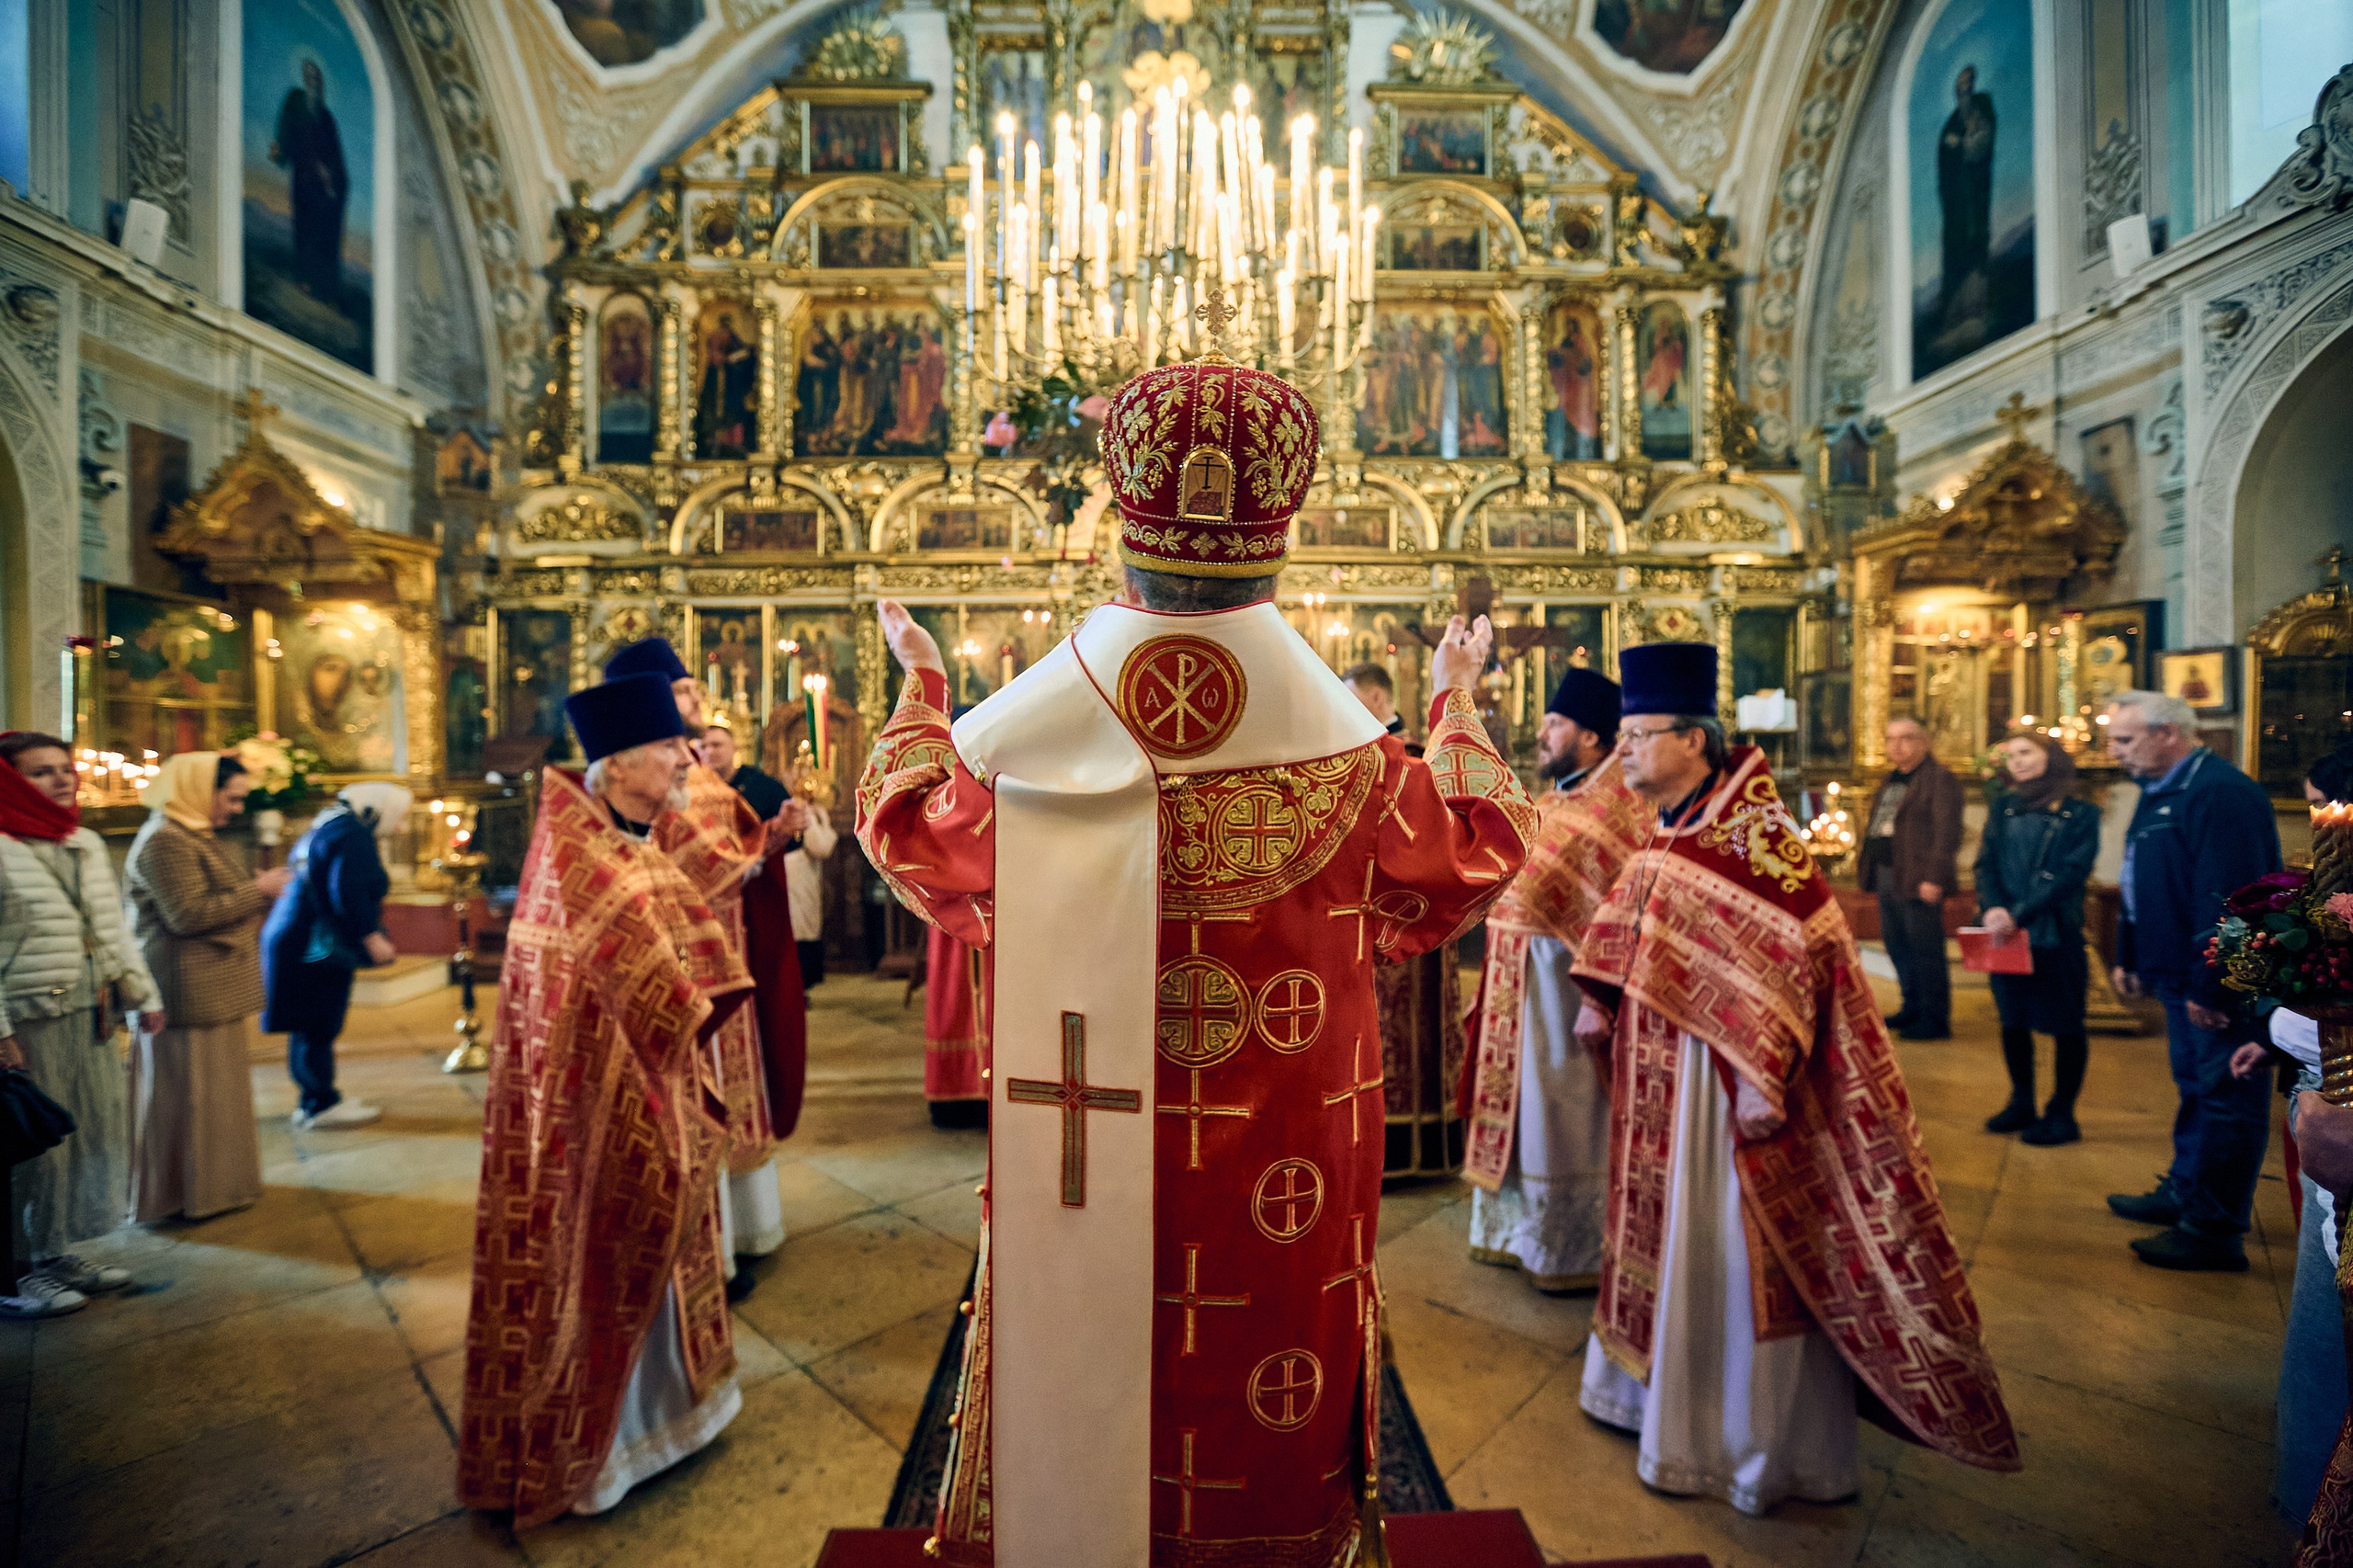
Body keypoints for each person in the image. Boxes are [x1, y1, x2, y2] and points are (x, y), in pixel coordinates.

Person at [856, 345, 1534, 1564]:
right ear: (1283, 533)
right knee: (1267, 1352)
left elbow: (906, 824)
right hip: (1283, 1165)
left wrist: (921, 691)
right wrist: (1456, 704)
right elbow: (1479, 846)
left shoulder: (1022, 747)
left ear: (1124, 517)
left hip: (1079, 1135)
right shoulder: (1358, 765)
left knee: (1077, 1347)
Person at [1572, 642, 2018, 1514]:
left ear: (1694, 741)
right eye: (1620, 735)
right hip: (1664, 1083)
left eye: (1638, 734)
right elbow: (1633, 920)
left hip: (1722, 1092)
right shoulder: (1669, 824)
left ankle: (1740, 1442)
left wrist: (1757, 1072)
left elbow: (1795, 958)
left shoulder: (1758, 838)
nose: (1622, 750)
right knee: (1668, 1236)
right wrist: (1601, 995)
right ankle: (1650, 1396)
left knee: (1729, 1250)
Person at [458, 672, 754, 1524]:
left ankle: (671, 1422)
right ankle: (605, 1453)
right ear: (620, 763)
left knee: (653, 1247)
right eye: (668, 748)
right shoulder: (581, 853)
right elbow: (636, 976)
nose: (682, 760)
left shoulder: (615, 835)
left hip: (647, 1080)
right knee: (601, 1243)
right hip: (591, 1100)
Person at [603, 640, 806, 1287]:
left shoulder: (693, 763)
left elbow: (728, 839)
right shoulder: (645, 768)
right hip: (684, 959)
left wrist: (770, 837)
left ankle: (747, 1229)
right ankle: (708, 1251)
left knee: (736, 1087)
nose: (696, 701)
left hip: (728, 942)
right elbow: (680, 852)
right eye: (685, 691)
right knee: (700, 1093)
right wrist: (758, 847)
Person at [1462, 667, 1649, 1293]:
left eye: (1555, 724)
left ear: (1593, 737)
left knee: (1560, 1118)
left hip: (1566, 998)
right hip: (1518, 992)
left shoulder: (1620, 807)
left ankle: (1570, 1246)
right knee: (1521, 1116)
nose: (1540, 734)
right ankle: (1513, 1232)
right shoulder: (1551, 800)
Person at [2102, 688, 2282, 1272]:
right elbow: (2140, 881)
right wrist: (2132, 954)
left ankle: (2213, 1227)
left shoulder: (2221, 794)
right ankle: (2186, 1190)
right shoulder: (2164, 789)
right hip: (2177, 972)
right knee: (2196, 1089)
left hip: (2212, 981)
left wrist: (2216, 984)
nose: (2113, 750)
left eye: (2124, 739)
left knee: (2226, 1096)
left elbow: (2231, 899)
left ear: (2167, 733)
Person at [2231, 744, 2353, 1528]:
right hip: (2322, 1100)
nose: (2323, 827)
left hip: (2341, 1124)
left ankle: (2312, 1503)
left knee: (2325, 1325)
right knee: (2317, 1321)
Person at [0, 733, 162, 1318]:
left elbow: (114, 929)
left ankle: (54, 1252)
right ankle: (15, 1274)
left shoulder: (83, 842)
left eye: (65, 769)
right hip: (27, 1019)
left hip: (89, 1012)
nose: (62, 780)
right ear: (10, 781)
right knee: (31, 1151)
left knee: (84, 1137)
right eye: (41, 773)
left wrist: (142, 993)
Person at [122, 752, 290, 1223]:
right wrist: (261, 891)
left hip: (210, 983)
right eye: (231, 797)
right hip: (184, 985)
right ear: (197, 789)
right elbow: (188, 914)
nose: (237, 808)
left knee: (215, 1093)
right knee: (189, 1093)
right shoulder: (165, 841)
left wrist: (252, 887)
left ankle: (218, 1185)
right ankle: (185, 1193)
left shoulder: (191, 832)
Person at [1341, 661, 1466, 1176]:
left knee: (1416, 1032)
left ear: (1375, 697)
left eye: (1349, 696)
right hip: (1361, 917)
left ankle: (1423, 1149)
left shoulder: (1420, 758)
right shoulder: (1352, 759)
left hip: (1416, 917)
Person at [1973, 731, 2100, 1145]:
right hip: (2005, 932)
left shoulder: (2080, 813)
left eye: (2026, 753)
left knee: (2065, 1024)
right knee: (2013, 1020)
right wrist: (1993, 907)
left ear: (2052, 756)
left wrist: (2019, 912)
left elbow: (2070, 874)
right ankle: (2021, 1102)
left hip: (2055, 933)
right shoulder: (2004, 807)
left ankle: (2063, 1113)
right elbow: (1985, 864)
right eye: (2010, 756)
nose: (2018, 762)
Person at [260, 783, 408, 1131]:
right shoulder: (352, 833)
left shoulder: (328, 825)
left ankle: (314, 1099)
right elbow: (348, 890)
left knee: (308, 1026)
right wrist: (370, 935)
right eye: (399, 816)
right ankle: (319, 1104)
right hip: (318, 946)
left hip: (296, 938)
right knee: (319, 1024)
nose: (399, 826)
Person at [1861, 716, 1963, 1040]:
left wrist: (1934, 877)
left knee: (1925, 949)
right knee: (1898, 946)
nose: (1897, 746)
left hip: (1918, 876)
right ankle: (1912, 1007)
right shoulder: (1891, 779)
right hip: (1886, 874)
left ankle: (1934, 1018)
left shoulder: (1939, 779)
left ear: (1924, 741)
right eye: (1891, 738)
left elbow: (1947, 833)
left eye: (1906, 738)